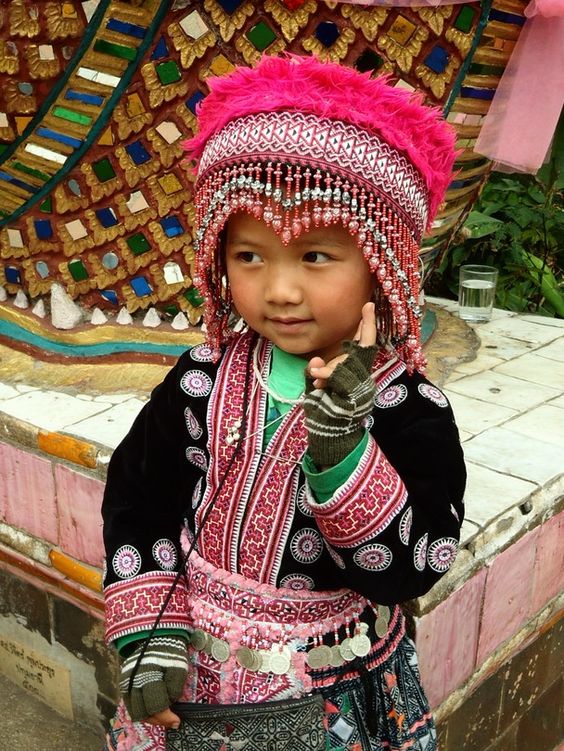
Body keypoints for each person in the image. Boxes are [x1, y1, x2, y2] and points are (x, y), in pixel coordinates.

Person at [102, 54, 466, 751]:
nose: (280, 291)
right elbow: (140, 496)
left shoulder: (408, 406)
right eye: (250, 256)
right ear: (217, 256)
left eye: (316, 256)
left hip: (331, 691)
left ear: (382, 263)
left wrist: (341, 449)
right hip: (191, 678)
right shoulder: (200, 378)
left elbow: (415, 561)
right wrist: (149, 635)